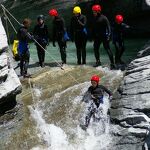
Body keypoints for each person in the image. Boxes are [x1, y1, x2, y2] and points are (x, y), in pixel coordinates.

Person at [91, 5, 115, 69]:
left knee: (107, 49)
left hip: (104, 36)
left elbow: (108, 27)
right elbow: (93, 28)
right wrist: (92, 36)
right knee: (95, 48)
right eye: (93, 11)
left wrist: (109, 35)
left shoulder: (104, 18)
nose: (93, 13)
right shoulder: (94, 18)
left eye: (94, 11)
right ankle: (98, 62)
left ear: (98, 11)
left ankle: (112, 63)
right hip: (97, 37)